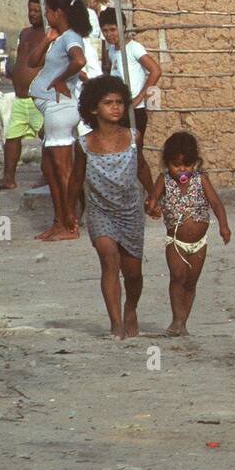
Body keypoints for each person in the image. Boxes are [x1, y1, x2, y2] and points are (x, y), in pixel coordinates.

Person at [68, 75, 157, 339]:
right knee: (109, 261)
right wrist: (68, 212)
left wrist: (153, 195)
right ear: (94, 109)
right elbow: (75, 179)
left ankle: (130, 309)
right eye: (108, 103)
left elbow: (141, 167)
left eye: (119, 102)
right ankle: (115, 323)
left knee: (133, 273)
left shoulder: (133, 137)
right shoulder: (84, 144)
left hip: (130, 211)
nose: (116, 107)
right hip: (100, 211)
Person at [145, 132, 231, 336]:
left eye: (187, 164)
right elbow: (151, 201)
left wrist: (224, 226)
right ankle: (176, 319)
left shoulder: (201, 179)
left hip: (199, 243)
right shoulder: (164, 180)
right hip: (175, 241)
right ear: (167, 164)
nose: (182, 169)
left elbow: (216, 203)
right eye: (176, 165)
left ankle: (183, 323)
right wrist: (152, 208)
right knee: (177, 277)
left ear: (196, 163)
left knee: (191, 282)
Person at [28, 0, 91, 241]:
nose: (45, 15)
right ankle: (58, 221)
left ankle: (70, 224)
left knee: (63, 170)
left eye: (48, 11)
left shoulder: (72, 38)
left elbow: (80, 60)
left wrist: (60, 79)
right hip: (51, 109)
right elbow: (33, 62)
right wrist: (47, 38)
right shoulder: (59, 38)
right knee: (49, 169)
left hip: (60, 109)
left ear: (58, 13)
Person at [99, 9, 162, 155]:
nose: (109, 34)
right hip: (118, 109)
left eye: (113, 29)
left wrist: (139, 97)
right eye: (105, 30)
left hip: (134, 110)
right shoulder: (112, 51)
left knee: (134, 152)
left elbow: (155, 71)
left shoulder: (134, 48)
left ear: (123, 27)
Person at [2, 0, 46, 189]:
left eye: (37, 11)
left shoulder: (50, 35)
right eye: (31, 10)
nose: (33, 14)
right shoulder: (24, 33)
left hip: (38, 98)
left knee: (48, 139)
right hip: (20, 98)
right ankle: (8, 178)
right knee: (11, 137)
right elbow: (20, 59)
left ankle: (46, 177)